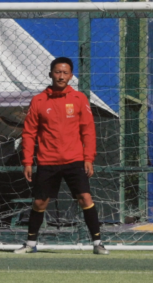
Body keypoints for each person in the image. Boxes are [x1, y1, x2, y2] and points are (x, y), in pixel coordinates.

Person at [14, 57, 107, 255]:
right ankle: (30, 243)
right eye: (57, 72)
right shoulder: (39, 100)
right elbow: (29, 133)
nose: (61, 76)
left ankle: (98, 243)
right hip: (47, 161)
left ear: (71, 76)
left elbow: (88, 130)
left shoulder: (79, 99)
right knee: (40, 202)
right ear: (50, 74)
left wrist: (88, 158)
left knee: (85, 198)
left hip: (74, 160)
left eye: (65, 73)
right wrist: (27, 161)